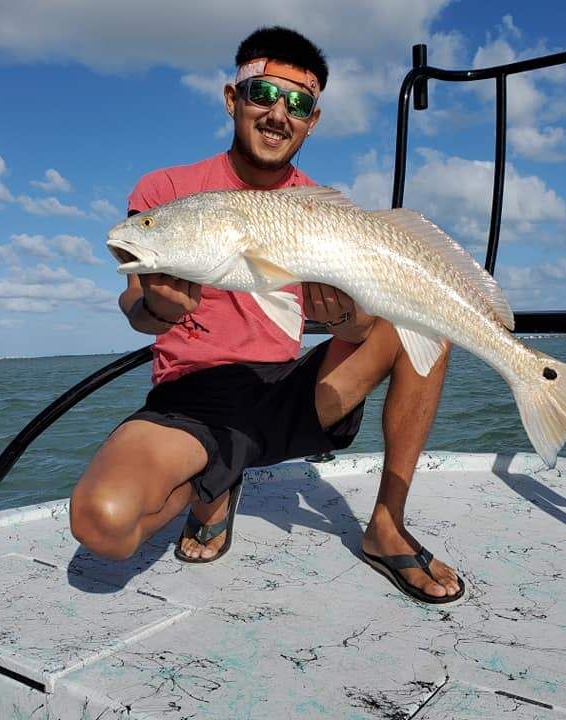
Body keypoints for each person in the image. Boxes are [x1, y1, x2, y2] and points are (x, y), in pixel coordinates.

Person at [69, 27, 464, 603]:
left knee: (427, 326)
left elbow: (356, 328)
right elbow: (135, 302)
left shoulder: (322, 206)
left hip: (293, 392)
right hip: (194, 400)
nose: (279, 113)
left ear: (312, 121)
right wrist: (154, 307)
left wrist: (344, 320)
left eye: (298, 103)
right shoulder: (168, 189)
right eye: (262, 94)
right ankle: (215, 483)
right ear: (233, 99)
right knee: (101, 525)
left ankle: (385, 524)